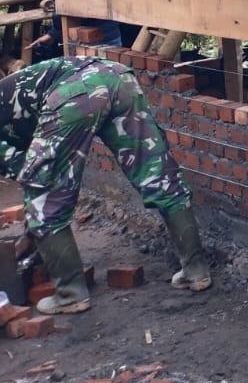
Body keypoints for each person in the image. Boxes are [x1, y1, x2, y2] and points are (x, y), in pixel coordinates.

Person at [0, 55, 211, 313]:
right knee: (157, 174)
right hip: (116, 75)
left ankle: (70, 294)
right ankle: (196, 270)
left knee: (44, 195)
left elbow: (29, 172)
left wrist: (37, 213)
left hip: (74, 91)